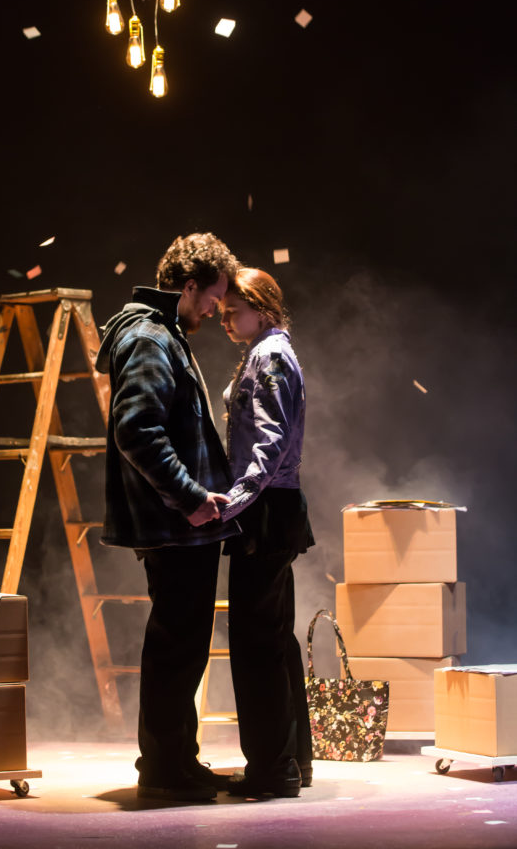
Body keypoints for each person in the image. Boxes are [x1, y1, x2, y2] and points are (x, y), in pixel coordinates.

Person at [95, 232, 241, 802]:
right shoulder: (152, 337)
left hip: (178, 524)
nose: (215, 310)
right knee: (177, 646)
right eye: (213, 298)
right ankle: (162, 767)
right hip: (176, 524)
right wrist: (191, 497)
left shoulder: (159, 333)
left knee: (182, 644)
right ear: (189, 286)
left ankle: (177, 758)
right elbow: (135, 429)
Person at [218, 267, 315, 799]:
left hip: (265, 508)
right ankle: (292, 761)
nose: (225, 320)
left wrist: (234, 501)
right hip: (272, 506)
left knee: (256, 641)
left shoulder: (270, 355)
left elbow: (270, 442)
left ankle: (273, 768)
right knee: (274, 638)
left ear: (262, 307)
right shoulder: (269, 351)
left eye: (233, 311)